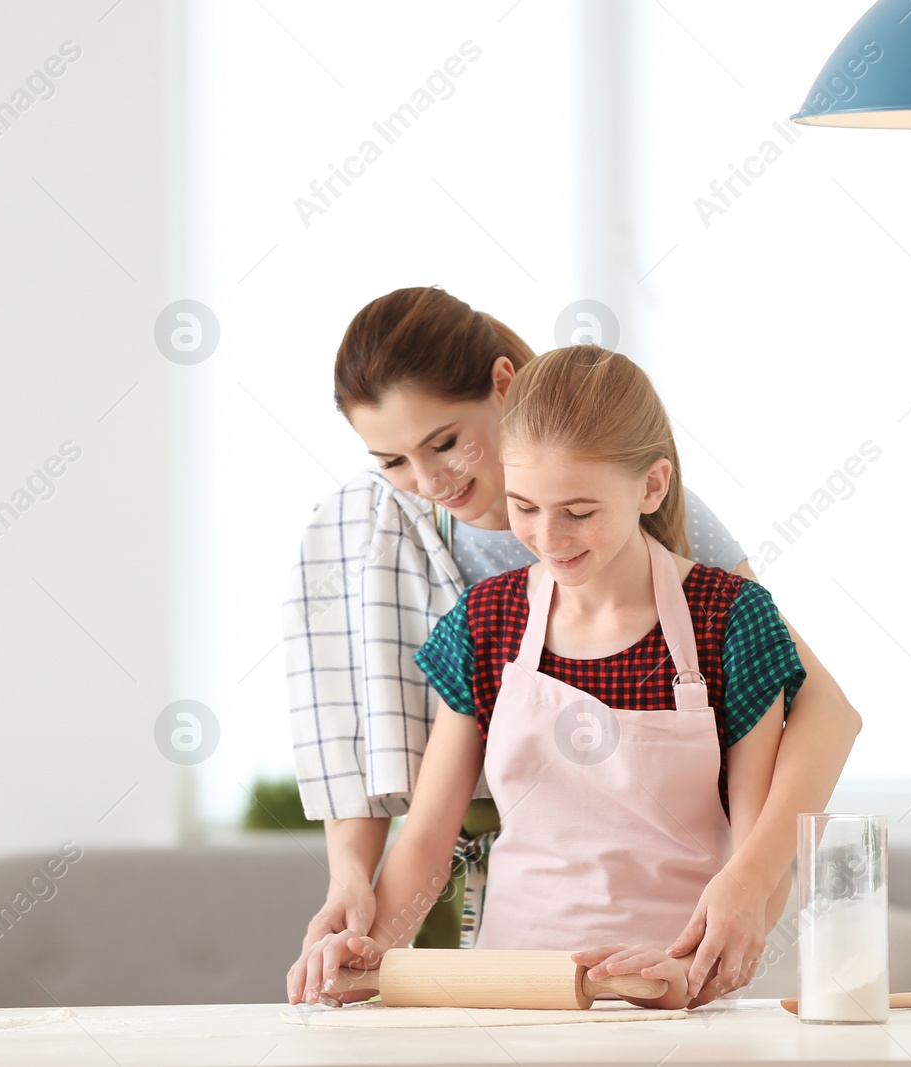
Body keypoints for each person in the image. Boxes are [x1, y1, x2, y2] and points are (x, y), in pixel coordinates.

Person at [283, 288, 861, 1006]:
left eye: (579, 511)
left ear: (650, 489)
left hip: (669, 989)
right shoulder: (476, 610)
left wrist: (727, 916)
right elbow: (425, 839)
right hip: (511, 984)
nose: (430, 481)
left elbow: (819, 725)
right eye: (525, 509)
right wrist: (367, 942)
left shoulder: (726, 614)